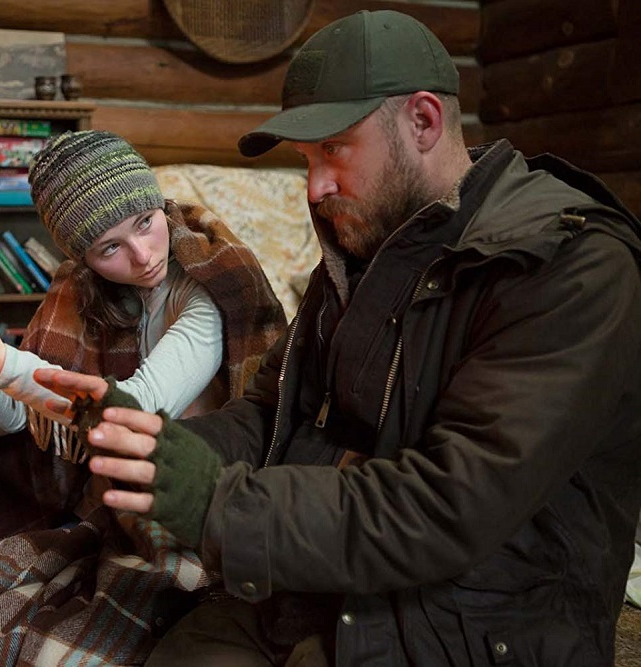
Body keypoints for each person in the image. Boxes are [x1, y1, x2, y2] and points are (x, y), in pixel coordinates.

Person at [34, 10, 641, 666]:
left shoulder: (572, 267)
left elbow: (448, 504)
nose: (314, 187)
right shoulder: (364, 241)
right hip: (323, 579)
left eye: (334, 149)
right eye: (305, 158)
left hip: (481, 620)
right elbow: (273, 413)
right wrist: (153, 447)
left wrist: (216, 501)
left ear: (424, 121)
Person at [0, 130, 287, 666]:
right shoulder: (79, 292)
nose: (143, 255)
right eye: (110, 247)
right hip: (117, 492)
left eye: (146, 223)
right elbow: (6, 423)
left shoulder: (210, 288)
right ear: (84, 256)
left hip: (208, 494)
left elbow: (135, 407)